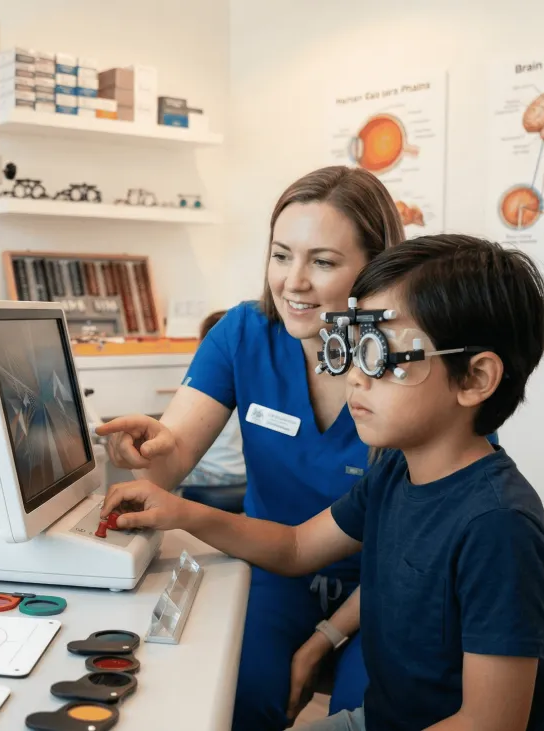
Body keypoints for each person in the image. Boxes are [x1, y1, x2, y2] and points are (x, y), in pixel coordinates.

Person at [102, 235, 544, 731]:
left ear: (473, 379)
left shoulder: (499, 529)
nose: (357, 380)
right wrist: (181, 512)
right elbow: (298, 546)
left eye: (383, 357)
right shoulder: (394, 474)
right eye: (355, 351)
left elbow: (490, 725)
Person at [97, 165, 404, 728]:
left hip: (385, 587)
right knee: (236, 695)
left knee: (369, 712)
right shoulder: (244, 333)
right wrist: (147, 448)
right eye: (281, 254)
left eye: (324, 261)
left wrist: (322, 642)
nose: (293, 282)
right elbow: (172, 454)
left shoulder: (411, 358)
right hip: (273, 568)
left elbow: (437, 524)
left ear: (376, 266)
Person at [176, 310, 245, 493]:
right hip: (245, 474)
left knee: (151, 480)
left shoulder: (205, 386)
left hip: (215, 474)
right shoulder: (254, 380)